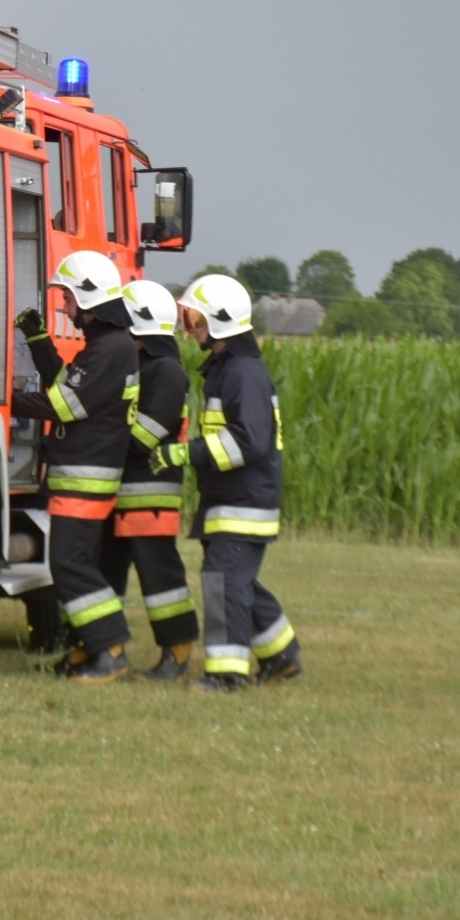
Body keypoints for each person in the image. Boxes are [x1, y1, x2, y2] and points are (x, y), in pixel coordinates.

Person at [150, 274, 302, 691]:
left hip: (243, 501)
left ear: (217, 322)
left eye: (194, 318)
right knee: (239, 581)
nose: (188, 326)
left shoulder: (241, 373)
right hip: (233, 499)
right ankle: (282, 655)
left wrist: (185, 453)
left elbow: (250, 440)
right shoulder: (230, 368)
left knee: (223, 582)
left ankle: (226, 676)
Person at [12, 250, 139, 683]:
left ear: (87, 299)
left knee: (71, 564)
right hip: (84, 478)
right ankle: (93, 647)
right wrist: (37, 340)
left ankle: (110, 649)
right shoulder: (107, 347)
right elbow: (64, 386)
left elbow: (61, 406)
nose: (63, 305)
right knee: (72, 562)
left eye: (66, 297)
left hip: (86, 479)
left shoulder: (109, 350)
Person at [105, 279, 199, 681]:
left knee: (159, 576)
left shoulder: (167, 372)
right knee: (106, 570)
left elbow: (145, 435)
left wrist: (98, 435)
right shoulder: (142, 366)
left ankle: (176, 653)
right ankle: (105, 650)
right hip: (120, 491)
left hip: (151, 494)